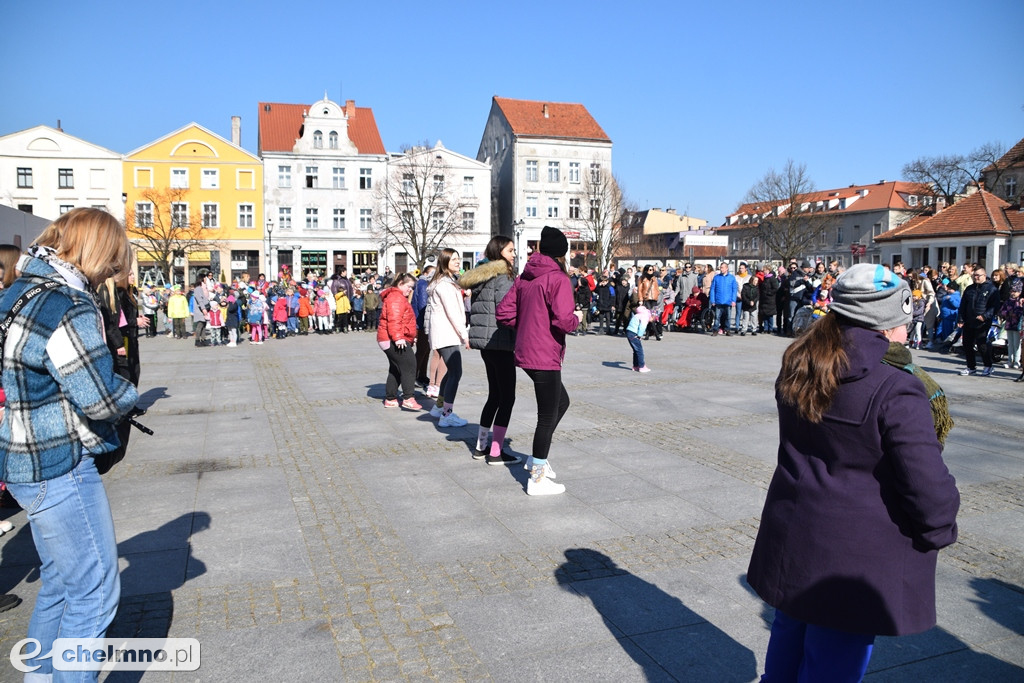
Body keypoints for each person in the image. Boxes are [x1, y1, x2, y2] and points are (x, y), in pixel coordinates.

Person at [748, 263, 960, 682]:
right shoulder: (897, 386)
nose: (907, 330)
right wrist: (939, 528)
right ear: (884, 323)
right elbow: (927, 485)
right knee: (833, 667)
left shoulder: (802, 361)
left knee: (787, 652)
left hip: (795, 535)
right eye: (903, 320)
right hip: (854, 558)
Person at [0, 208, 139, 680]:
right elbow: (97, 397)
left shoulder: (17, 292)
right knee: (94, 593)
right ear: (98, 251)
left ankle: (40, 674)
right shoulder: (66, 303)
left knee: (61, 582)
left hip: (20, 457)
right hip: (56, 461)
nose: (113, 269)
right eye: (113, 258)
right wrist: (130, 395)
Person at [496, 226, 584, 496]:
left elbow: (504, 313)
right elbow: (563, 320)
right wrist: (577, 319)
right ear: (562, 254)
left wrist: (525, 325)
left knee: (562, 402)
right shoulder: (557, 278)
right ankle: (536, 477)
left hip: (526, 351)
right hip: (544, 354)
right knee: (546, 416)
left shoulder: (525, 276)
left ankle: (538, 461)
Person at [460, 237, 522, 466]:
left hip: (486, 344)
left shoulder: (482, 274)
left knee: (494, 395)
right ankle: (496, 451)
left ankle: (480, 446)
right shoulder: (503, 275)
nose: (514, 254)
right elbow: (509, 308)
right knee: (507, 397)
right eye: (510, 250)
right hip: (501, 340)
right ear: (500, 251)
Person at [426, 248, 469, 428]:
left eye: (458, 259)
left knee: (451, 371)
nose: (458, 262)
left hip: (446, 333)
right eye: (453, 260)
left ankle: (439, 407)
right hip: (447, 333)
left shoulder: (447, 281)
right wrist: (464, 335)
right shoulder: (444, 284)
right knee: (456, 372)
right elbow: (453, 313)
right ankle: (446, 414)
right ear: (444, 263)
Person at [377, 273, 422, 410]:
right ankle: (408, 397)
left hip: (389, 338)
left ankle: (390, 398)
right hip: (392, 338)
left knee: (396, 368)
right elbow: (394, 319)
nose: (410, 290)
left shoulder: (396, 297)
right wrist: (398, 338)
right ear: (400, 283)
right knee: (409, 364)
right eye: (409, 286)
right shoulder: (396, 298)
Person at [957, 266, 999, 376]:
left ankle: (988, 366)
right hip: (969, 320)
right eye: (974, 275)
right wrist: (961, 319)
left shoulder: (991, 289)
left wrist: (985, 316)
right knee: (967, 344)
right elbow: (963, 305)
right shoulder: (969, 289)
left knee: (982, 344)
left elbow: (994, 306)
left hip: (982, 322)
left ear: (984, 276)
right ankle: (971, 367)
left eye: (978, 275)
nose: (976, 277)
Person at [708, 262, 738, 336]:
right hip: (718, 301)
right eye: (720, 267)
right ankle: (715, 330)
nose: (721, 269)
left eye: (723, 267)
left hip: (728, 301)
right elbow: (712, 289)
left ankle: (727, 330)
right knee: (717, 317)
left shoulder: (731, 278)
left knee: (728, 317)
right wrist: (713, 300)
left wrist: (733, 300)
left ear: (726, 268)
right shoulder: (716, 277)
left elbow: (734, 290)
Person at [626, 304, 651, 372]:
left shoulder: (636, 315)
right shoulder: (644, 316)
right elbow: (642, 327)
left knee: (635, 350)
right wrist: (640, 335)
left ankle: (636, 366)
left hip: (629, 332)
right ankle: (642, 366)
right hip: (634, 333)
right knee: (639, 351)